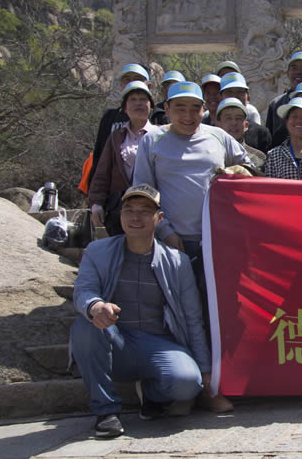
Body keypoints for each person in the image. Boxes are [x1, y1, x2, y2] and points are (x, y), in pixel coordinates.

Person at [133, 82, 258, 413]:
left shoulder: (218, 136)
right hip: (173, 244)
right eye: (180, 108)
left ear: (205, 110)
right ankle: (185, 390)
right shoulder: (152, 140)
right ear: (167, 109)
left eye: (195, 109)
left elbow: (248, 167)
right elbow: (143, 190)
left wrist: (238, 173)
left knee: (216, 314)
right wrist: (165, 232)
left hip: (217, 242)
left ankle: (215, 387)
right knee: (182, 316)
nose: (188, 116)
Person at [71, 184, 211, 439]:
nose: (136, 217)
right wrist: (96, 306)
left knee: (187, 383)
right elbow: (83, 291)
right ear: (120, 216)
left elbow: (193, 318)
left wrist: (204, 368)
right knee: (85, 326)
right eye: (129, 210)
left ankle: (151, 394)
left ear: (159, 218)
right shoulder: (97, 252)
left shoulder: (178, 262)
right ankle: (105, 411)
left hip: (158, 343)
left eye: (145, 211)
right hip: (115, 343)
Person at [89, 81, 161, 236]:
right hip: (119, 210)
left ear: (151, 106)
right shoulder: (116, 137)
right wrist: (96, 204)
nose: (138, 103)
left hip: (151, 209)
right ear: (125, 108)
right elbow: (102, 173)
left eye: (143, 99)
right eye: (133, 100)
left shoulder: (161, 136)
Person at [90, 64, 152, 187]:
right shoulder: (110, 117)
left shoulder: (158, 117)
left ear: (149, 85)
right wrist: (93, 188)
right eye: (127, 79)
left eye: (137, 78)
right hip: (115, 189)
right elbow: (99, 153)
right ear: (121, 84)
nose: (132, 82)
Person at [218, 72, 272, 152]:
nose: (235, 96)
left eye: (239, 92)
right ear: (220, 98)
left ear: (248, 97)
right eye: (229, 92)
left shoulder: (261, 134)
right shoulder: (210, 133)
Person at [213, 97, 267, 173]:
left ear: (246, 125)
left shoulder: (258, 158)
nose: (234, 123)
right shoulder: (207, 152)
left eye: (238, 118)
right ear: (218, 124)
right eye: (228, 118)